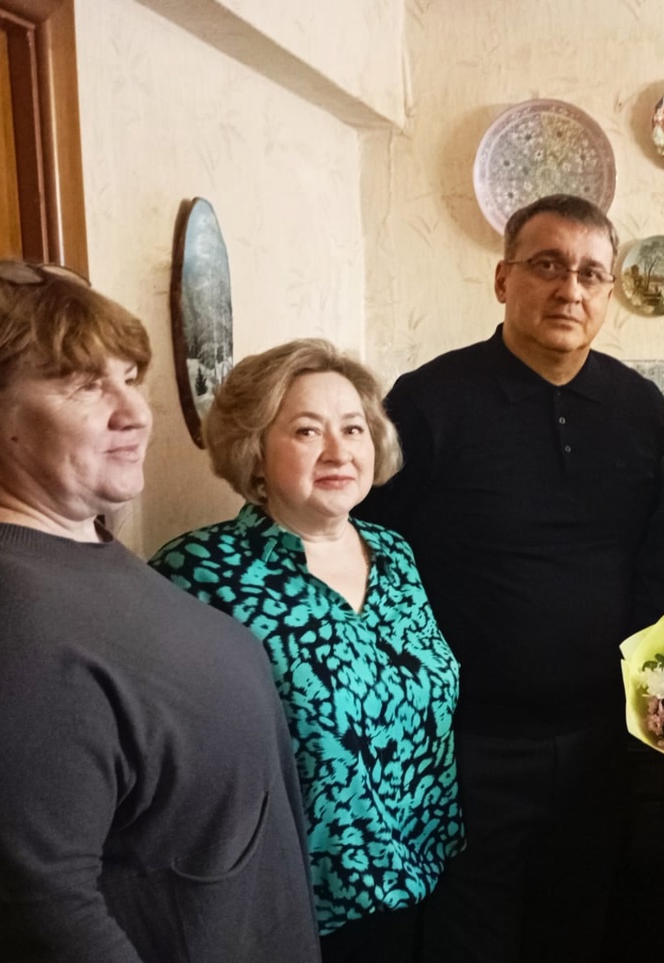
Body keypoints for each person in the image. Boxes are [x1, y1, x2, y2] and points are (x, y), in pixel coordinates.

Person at [355, 194, 664, 962]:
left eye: (591, 273)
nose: (570, 288)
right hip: (467, 743)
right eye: (547, 265)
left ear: (609, 293)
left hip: (601, 739)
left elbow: (659, 565)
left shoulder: (639, 408)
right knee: (467, 939)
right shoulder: (429, 402)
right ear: (504, 279)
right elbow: (375, 558)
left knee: (576, 930)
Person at [0, 260, 320, 961]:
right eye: (82, 383)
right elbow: (42, 908)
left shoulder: (82, 550)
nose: (134, 411)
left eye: (129, 376)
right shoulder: (2, 612)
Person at [150, 339, 461, 963]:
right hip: (287, 906)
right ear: (255, 452)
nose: (339, 451)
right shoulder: (200, 572)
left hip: (421, 878)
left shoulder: (395, 554)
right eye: (306, 431)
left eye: (353, 428)